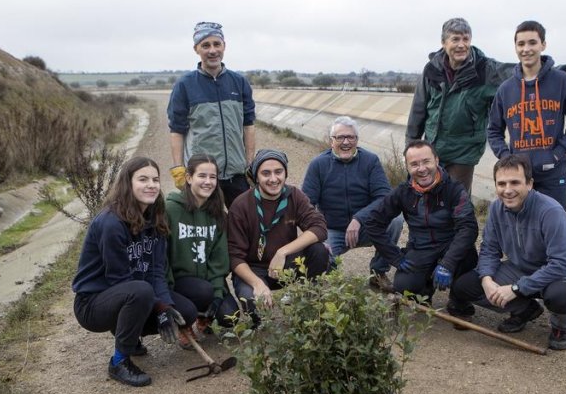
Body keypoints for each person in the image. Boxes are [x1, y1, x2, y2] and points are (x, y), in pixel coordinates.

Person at [406, 17, 566, 193]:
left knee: (457, 203)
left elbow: (525, 71)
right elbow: (418, 112)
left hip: (464, 153)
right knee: (425, 198)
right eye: (455, 39)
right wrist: (411, 150)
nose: (461, 45)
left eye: (465, 39)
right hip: (432, 150)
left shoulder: (485, 69)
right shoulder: (431, 70)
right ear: (444, 43)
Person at [72, 157, 197, 387]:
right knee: (140, 291)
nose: (151, 185)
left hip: (134, 293)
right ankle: (119, 361)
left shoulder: (155, 217)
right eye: (143, 179)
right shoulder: (111, 223)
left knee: (186, 312)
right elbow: (119, 279)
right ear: (127, 184)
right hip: (93, 303)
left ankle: (130, 333)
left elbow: (156, 271)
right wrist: (157, 306)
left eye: (155, 180)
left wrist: (165, 307)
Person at [449, 155, 566, 350]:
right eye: (501, 184)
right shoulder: (496, 208)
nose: (507, 190)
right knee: (466, 286)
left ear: (529, 184)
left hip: (560, 272)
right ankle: (525, 309)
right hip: (521, 268)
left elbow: (561, 264)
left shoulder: (551, 211)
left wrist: (516, 288)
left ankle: (562, 327)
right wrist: (486, 279)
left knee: (561, 295)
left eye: (515, 182)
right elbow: (489, 249)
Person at [487, 20, 566, 210]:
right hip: (518, 177)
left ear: (543, 45)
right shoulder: (506, 89)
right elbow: (493, 130)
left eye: (532, 42)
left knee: (554, 222)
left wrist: (557, 153)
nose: (526, 49)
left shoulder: (562, 82)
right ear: (515, 47)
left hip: (553, 174)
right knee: (519, 224)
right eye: (521, 44)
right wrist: (507, 158)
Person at [367, 140, 478, 309]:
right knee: (404, 285)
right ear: (407, 167)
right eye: (414, 164)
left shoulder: (454, 190)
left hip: (450, 246)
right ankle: (424, 293)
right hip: (421, 247)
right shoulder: (402, 192)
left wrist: (447, 264)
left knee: (468, 261)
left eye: (426, 161)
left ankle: (458, 302)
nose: (422, 169)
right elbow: (373, 223)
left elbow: (468, 228)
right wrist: (395, 257)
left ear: (436, 161)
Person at [301, 116, 403, 292]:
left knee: (395, 220)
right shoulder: (318, 164)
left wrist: (359, 219)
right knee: (321, 260)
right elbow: (306, 204)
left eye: (350, 137)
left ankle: (378, 272)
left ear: (357, 139)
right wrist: (316, 233)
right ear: (331, 141)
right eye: (340, 137)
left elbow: (384, 197)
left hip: (366, 227)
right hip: (332, 229)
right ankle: (318, 283)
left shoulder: (370, 161)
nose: (346, 142)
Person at [167, 21, 256, 208]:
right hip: (202, 176)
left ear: (224, 46)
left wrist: (250, 163)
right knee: (204, 223)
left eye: (217, 44)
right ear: (196, 49)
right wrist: (178, 168)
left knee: (243, 222)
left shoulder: (239, 82)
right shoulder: (184, 85)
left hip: (236, 175)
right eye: (205, 45)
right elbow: (177, 130)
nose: (212, 50)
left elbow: (248, 125)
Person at [228, 149, 330, 309]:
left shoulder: (294, 196)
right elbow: (234, 257)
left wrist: (282, 252)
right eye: (266, 173)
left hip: (285, 264)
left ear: (285, 173)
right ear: (256, 177)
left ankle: (308, 303)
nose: (273, 179)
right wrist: (257, 284)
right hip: (254, 269)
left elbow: (319, 227)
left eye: (278, 172)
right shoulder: (241, 205)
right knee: (253, 303)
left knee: (318, 250)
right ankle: (258, 309)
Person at [165, 153, 240, 330]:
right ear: (189, 178)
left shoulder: (218, 213)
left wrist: (218, 294)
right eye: (202, 176)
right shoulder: (170, 209)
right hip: (178, 282)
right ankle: (185, 322)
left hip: (207, 280)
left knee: (230, 316)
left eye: (212, 177)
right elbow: (162, 255)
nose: (208, 182)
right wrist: (166, 293)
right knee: (202, 292)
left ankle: (203, 315)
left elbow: (219, 258)